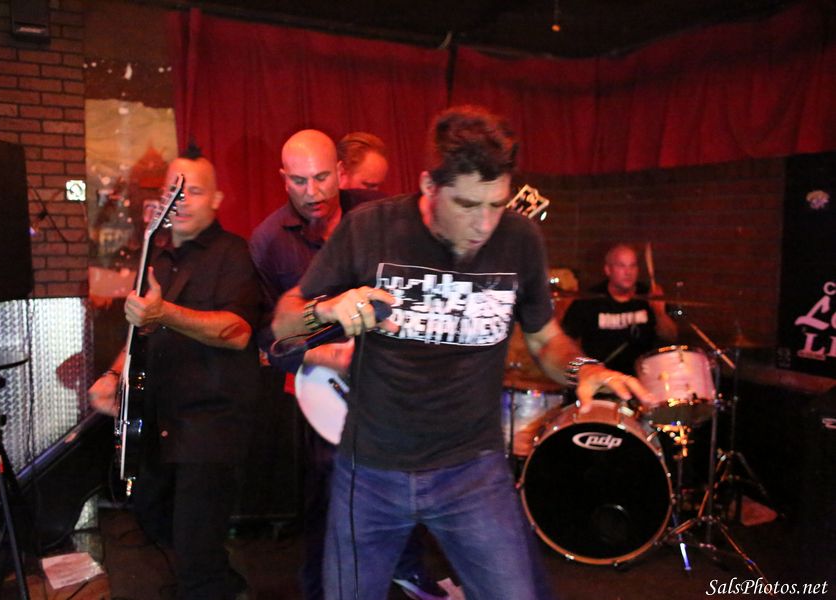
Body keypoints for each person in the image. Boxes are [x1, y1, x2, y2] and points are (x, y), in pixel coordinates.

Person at [271, 105, 653, 600]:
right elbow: (284, 320)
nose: (484, 224)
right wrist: (326, 310)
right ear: (429, 186)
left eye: (496, 204)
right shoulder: (371, 228)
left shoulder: (519, 239)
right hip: (371, 472)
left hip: (472, 471)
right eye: (468, 205)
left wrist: (584, 368)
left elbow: (545, 339)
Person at [249, 130, 446, 600]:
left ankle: (406, 567)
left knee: (404, 479)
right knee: (328, 496)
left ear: (340, 172)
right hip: (322, 389)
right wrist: (332, 355)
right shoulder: (268, 241)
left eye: (321, 178)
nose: (312, 192)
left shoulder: (377, 216)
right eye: (299, 181)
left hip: (388, 384)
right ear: (283, 178)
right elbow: (267, 337)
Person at [88, 149, 260, 600]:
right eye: (173, 191)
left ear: (216, 199)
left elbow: (238, 332)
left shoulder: (233, 253)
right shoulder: (158, 259)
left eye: (193, 191)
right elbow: (138, 333)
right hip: (161, 422)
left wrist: (165, 312)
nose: (179, 201)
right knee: (152, 516)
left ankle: (210, 586)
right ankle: (224, 585)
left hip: (210, 424)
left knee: (195, 547)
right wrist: (113, 375)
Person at [561, 243, 678, 374]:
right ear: (608, 270)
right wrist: (585, 369)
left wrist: (659, 312)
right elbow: (566, 341)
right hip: (603, 377)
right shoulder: (589, 300)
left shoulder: (648, 295)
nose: (628, 272)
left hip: (643, 375)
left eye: (632, 266)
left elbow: (671, 337)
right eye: (621, 266)